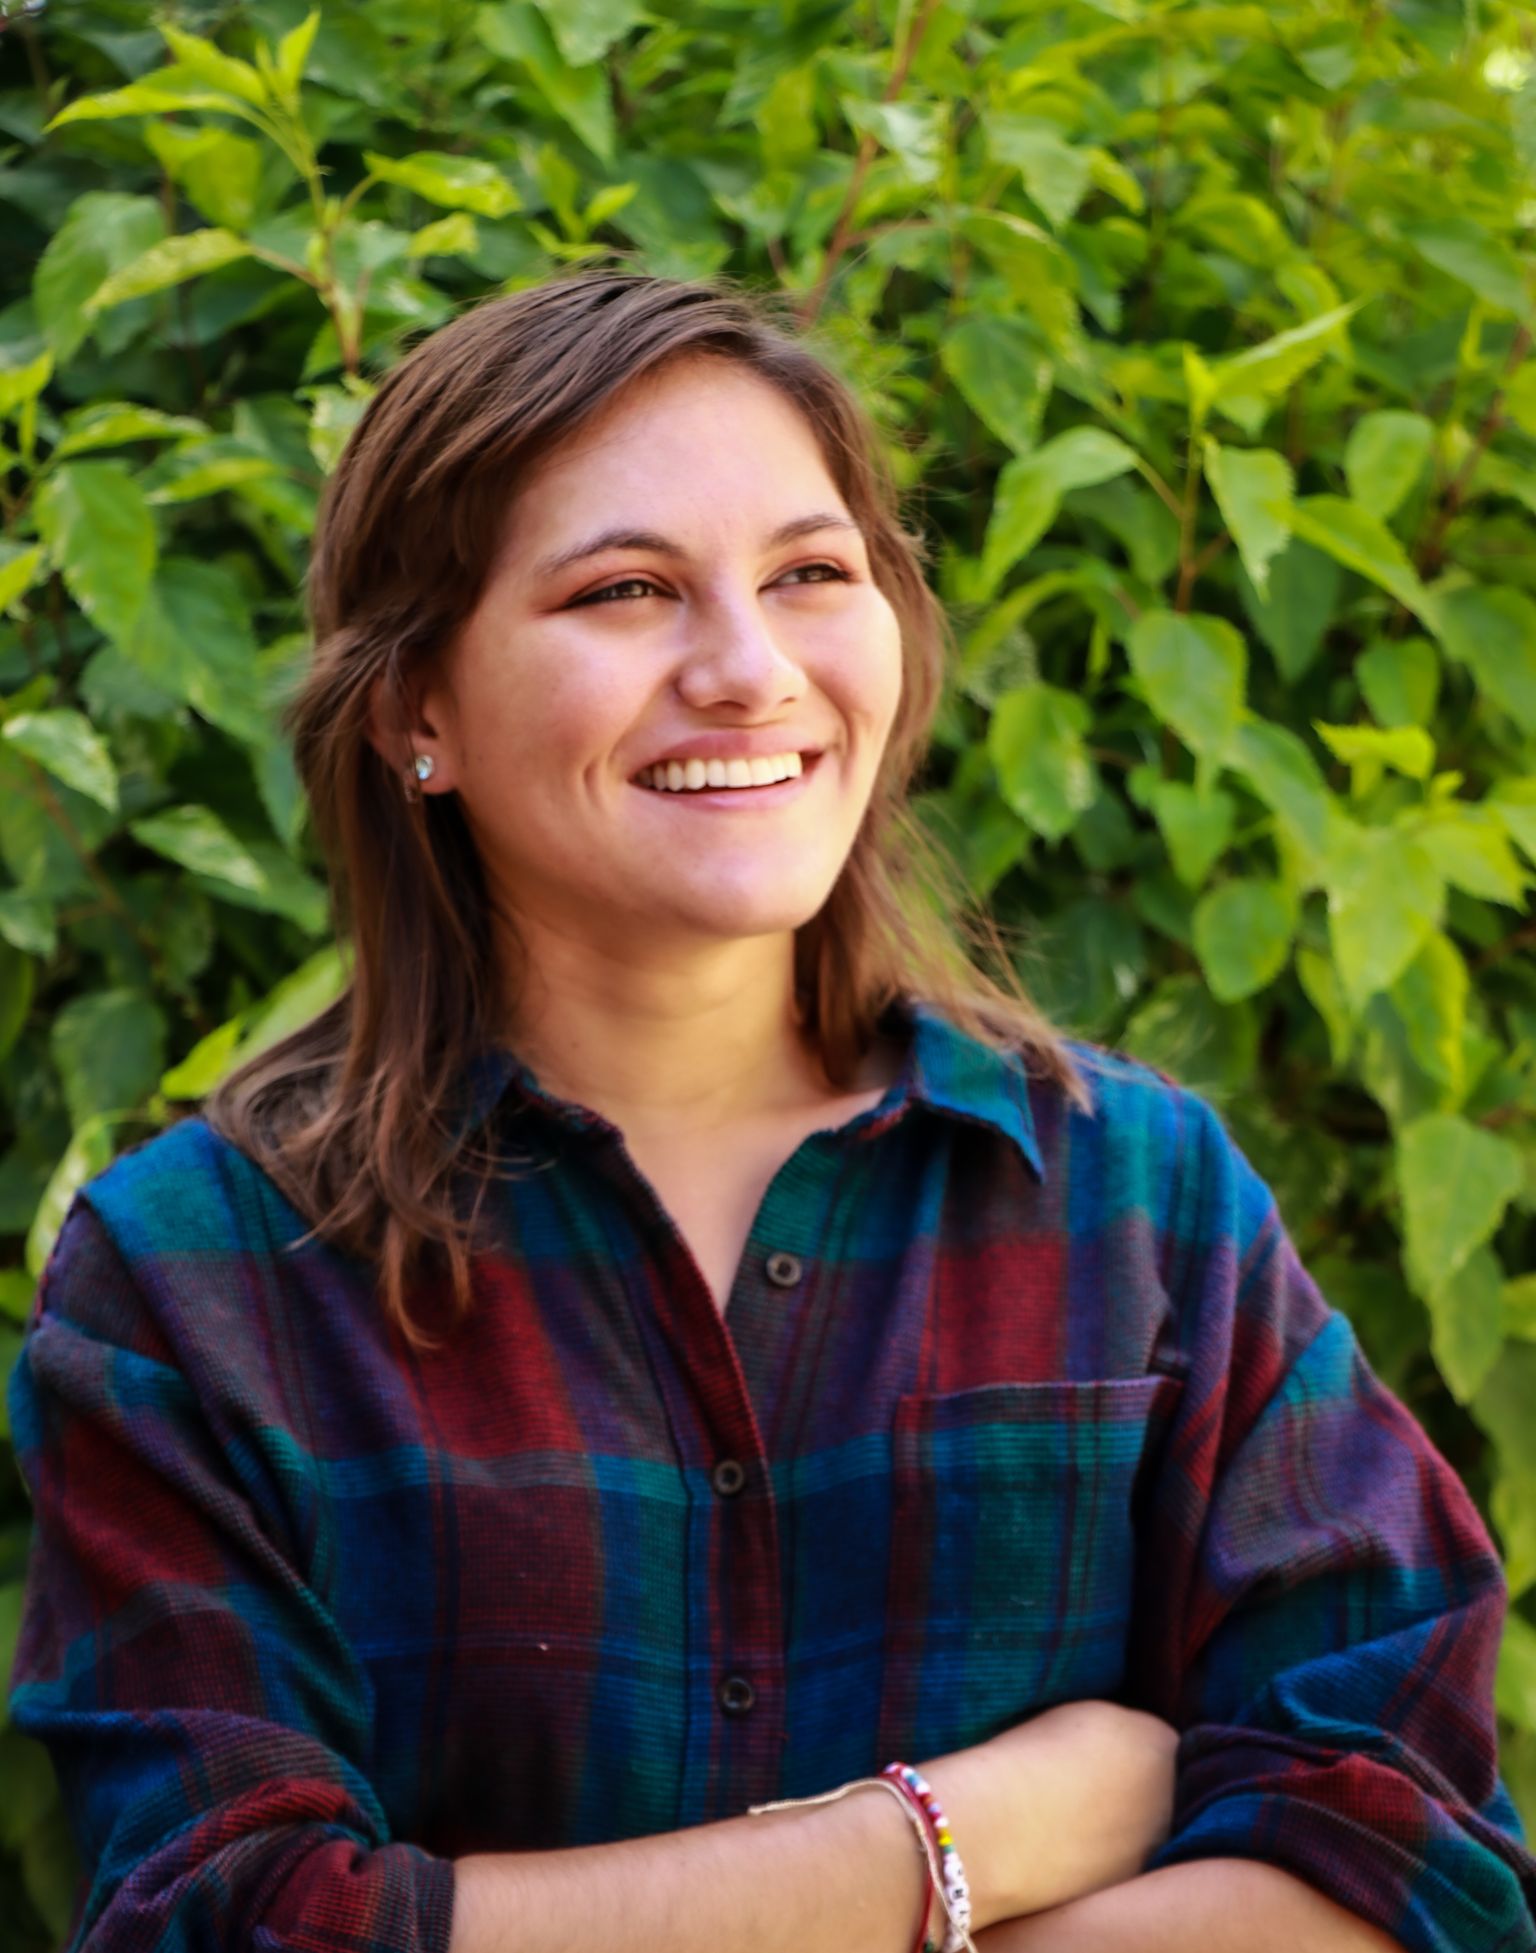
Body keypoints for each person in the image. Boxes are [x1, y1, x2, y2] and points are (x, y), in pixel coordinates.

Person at [6, 269, 1534, 1953]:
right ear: (412, 709)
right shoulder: (196, 1279)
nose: (748, 670)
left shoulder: (1144, 1200)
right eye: (627, 590)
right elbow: (225, 1923)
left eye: (813, 573)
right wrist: (954, 1837)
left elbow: (1412, 1848)